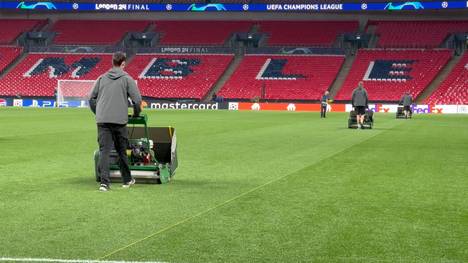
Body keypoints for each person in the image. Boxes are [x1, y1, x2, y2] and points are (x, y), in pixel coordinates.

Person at [88, 52, 142, 192]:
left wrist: (98, 112)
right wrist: (136, 114)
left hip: (103, 120)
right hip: (119, 121)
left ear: (112, 62)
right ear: (123, 64)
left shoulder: (101, 78)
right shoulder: (127, 79)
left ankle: (104, 184)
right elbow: (137, 100)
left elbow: (91, 99)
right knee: (121, 151)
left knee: (104, 151)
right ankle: (126, 180)